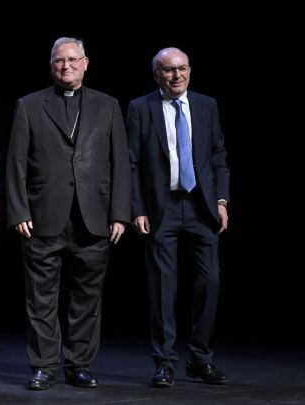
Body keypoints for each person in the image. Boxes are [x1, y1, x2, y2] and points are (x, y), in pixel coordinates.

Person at [6, 37, 131, 390]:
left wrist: (120, 213)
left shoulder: (108, 106)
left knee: (87, 298)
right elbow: (15, 163)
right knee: (41, 297)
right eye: (60, 61)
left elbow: (121, 163)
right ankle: (44, 365)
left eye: (73, 60)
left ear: (86, 63)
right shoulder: (29, 105)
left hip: (94, 216)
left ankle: (79, 365)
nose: (66, 66)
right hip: (43, 216)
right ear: (51, 65)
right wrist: (18, 210)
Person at [126, 47, 230, 388]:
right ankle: (165, 362)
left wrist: (221, 199)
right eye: (169, 70)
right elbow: (132, 163)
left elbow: (217, 154)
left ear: (190, 70)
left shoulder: (206, 105)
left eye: (182, 68)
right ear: (157, 74)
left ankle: (200, 359)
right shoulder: (141, 108)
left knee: (209, 282)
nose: (177, 76)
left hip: (201, 206)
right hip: (162, 207)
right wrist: (137, 207)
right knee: (162, 288)